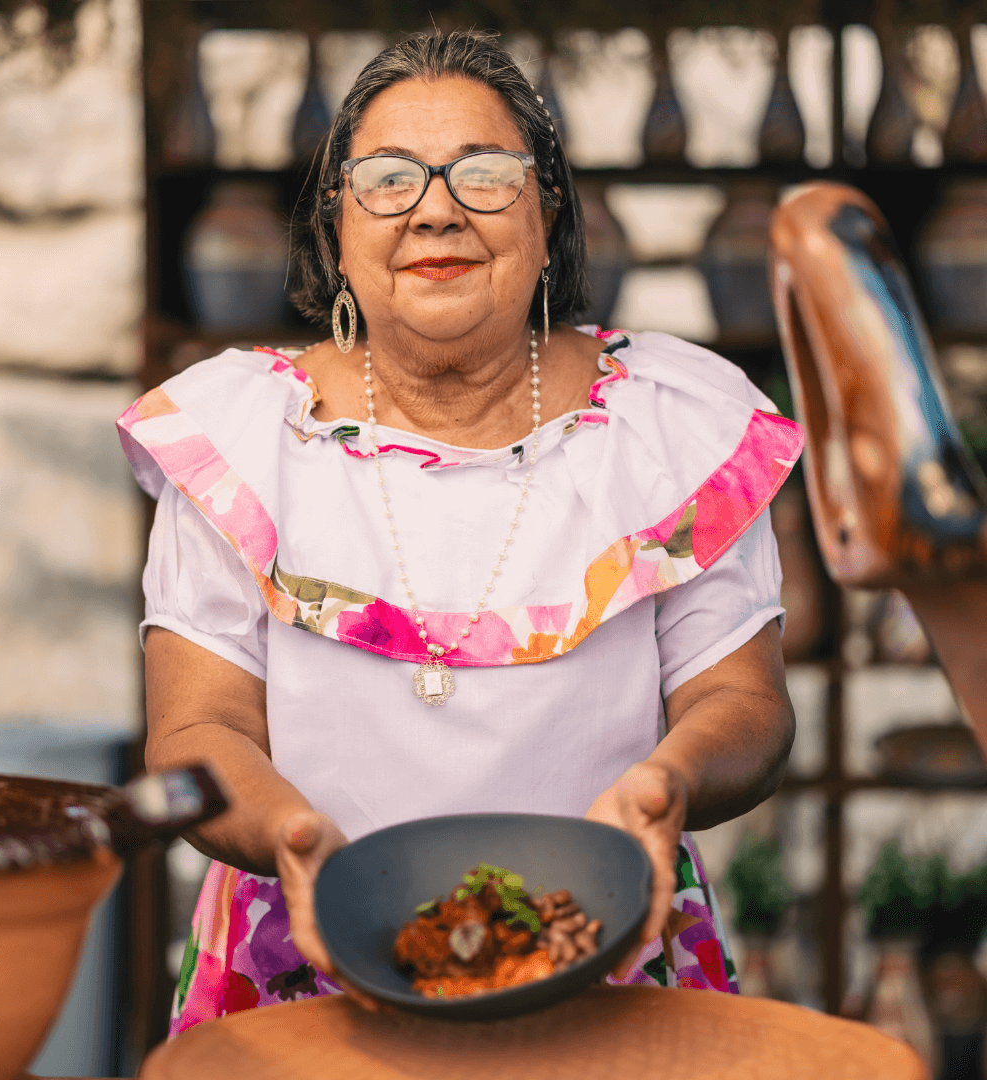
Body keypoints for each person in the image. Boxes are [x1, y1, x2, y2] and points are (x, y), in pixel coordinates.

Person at [117, 29, 802, 1033]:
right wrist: (291, 834)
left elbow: (743, 702)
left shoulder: (671, 426)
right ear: (338, 224)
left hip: (600, 942)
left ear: (546, 207)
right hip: (307, 953)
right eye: (388, 179)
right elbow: (194, 731)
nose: (437, 208)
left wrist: (671, 779)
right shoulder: (240, 441)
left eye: (484, 174)